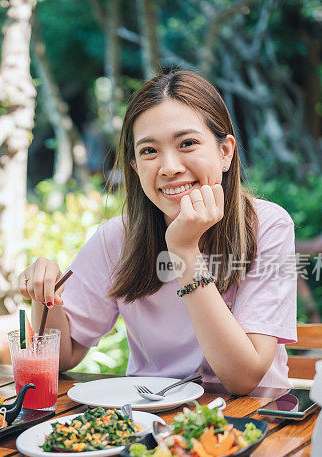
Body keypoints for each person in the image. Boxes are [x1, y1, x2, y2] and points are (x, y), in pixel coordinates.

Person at [19, 70, 296, 394]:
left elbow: (243, 378)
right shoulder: (117, 239)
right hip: (148, 425)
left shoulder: (267, 227)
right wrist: (44, 294)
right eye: (149, 151)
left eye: (188, 143)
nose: (169, 167)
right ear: (135, 166)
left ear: (225, 152)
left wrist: (184, 251)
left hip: (254, 424)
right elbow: (64, 356)